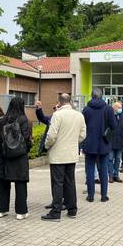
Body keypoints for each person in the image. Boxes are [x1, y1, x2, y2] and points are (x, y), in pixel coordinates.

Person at [42, 93, 86, 221]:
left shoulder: (57, 115)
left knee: (57, 183)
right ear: (70, 102)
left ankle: (56, 212)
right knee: (70, 182)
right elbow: (83, 135)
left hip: (58, 154)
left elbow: (51, 135)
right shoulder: (79, 115)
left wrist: (46, 146)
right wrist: (73, 141)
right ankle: (72, 210)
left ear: (59, 103)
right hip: (71, 154)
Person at [0, 97, 32, 220]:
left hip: (5, 156)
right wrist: (27, 148)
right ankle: (21, 212)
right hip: (19, 156)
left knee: (4, 183)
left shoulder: (3, 119)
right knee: (20, 183)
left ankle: (1, 210)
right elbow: (26, 137)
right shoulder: (23, 119)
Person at [82, 88, 116, 202]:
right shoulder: (108, 109)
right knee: (104, 170)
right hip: (104, 143)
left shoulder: (86, 109)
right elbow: (114, 126)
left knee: (90, 170)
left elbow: (82, 126)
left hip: (89, 144)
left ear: (92, 96)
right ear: (102, 96)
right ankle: (103, 196)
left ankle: (90, 196)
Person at [108, 102, 123, 183]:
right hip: (111, 141)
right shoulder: (110, 115)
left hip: (120, 141)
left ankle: (116, 175)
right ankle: (111, 176)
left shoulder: (122, 115)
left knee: (118, 159)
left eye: (121, 107)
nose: (120, 109)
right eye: (119, 107)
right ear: (114, 108)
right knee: (110, 159)